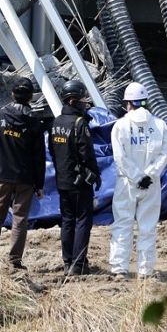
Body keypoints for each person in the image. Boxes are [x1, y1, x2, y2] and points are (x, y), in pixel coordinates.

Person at [109, 81, 167, 279]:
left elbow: (120, 157)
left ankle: (120, 267)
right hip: (151, 185)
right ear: (145, 102)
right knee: (148, 225)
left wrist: (137, 176)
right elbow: (166, 153)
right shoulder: (160, 126)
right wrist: (150, 175)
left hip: (127, 183)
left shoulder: (120, 126)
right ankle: (145, 270)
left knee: (122, 223)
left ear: (128, 103)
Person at [0, 76, 46, 270]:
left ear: (12, 94)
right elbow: (39, 157)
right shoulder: (34, 123)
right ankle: (15, 260)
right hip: (25, 179)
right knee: (20, 219)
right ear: (30, 98)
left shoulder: (0, 116)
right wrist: (39, 184)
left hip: (1, 174)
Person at [49, 79, 101, 276]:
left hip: (62, 181)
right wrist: (94, 174)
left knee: (67, 220)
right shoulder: (79, 124)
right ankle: (78, 265)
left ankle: (67, 261)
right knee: (82, 221)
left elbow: (52, 151)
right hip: (79, 182)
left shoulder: (56, 123)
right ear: (72, 101)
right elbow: (87, 153)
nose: (84, 103)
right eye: (81, 99)